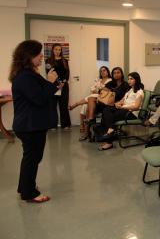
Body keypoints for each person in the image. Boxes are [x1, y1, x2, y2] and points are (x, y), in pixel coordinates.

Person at [10, 40, 62, 203]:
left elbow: (41, 93)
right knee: (32, 158)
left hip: (31, 124)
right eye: (38, 54)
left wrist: (51, 84)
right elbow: (39, 98)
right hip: (29, 125)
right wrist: (50, 82)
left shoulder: (28, 73)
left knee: (31, 158)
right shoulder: (25, 76)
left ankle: (24, 187)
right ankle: (29, 193)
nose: (41, 56)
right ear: (28, 56)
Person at [98, 72, 144, 150]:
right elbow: (122, 100)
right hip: (123, 109)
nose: (129, 80)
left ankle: (109, 141)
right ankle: (111, 130)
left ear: (136, 80)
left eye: (131, 79)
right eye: (128, 79)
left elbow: (136, 107)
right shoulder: (130, 90)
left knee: (111, 116)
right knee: (106, 109)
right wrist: (117, 104)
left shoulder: (139, 92)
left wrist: (123, 107)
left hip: (131, 113)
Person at [69, 66, 111, 140]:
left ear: (107, 71)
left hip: (103, 99)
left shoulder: (110, 80)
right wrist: (98, 89)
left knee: (90, 98)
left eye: (104, 70)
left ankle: (75, 105)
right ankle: (86, 131)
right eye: (101, 71)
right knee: (85, 107)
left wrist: (98, 90)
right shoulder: (99, 81)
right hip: (95, 98)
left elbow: (106, 91)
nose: (103, 72)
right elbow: (92, 89)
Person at [45, 43, 71, 129]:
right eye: (56, 49)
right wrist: (58, 83)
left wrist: (63, 82)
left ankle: (65, 124)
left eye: (59, 50)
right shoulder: (48, 61)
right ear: (53, 50)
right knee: (52, 106)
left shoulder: (65, 61)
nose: (58, 51)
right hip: (53, 86)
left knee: (63, 105)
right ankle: (52, 125)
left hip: (63, 86)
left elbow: (67, 73)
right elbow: (49, 73)